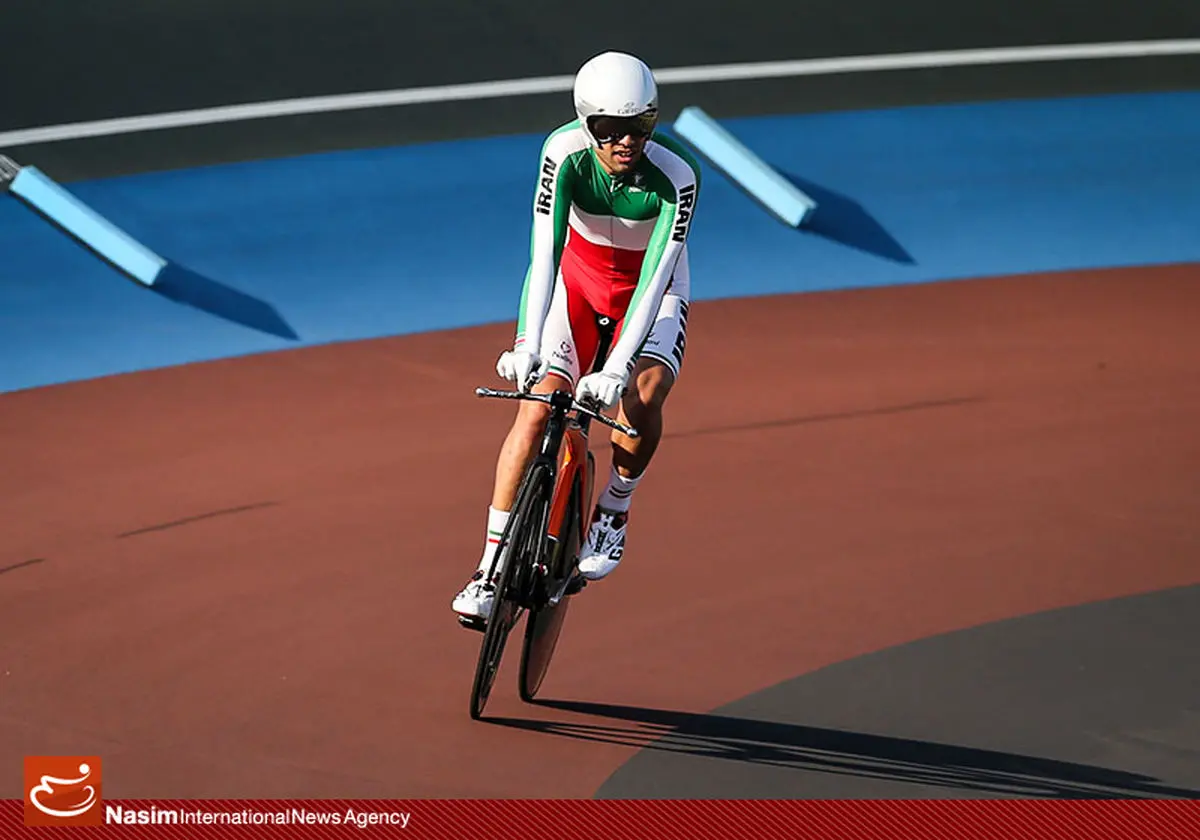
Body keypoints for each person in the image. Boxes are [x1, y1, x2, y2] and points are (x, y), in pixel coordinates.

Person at [452, 50, 701, 624]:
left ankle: (614, 508)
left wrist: (615, 367)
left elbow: (656, 279)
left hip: (650, 293)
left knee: (645, 391)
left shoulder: (677, 177)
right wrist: (525, 343)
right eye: (608, 129)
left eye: (638, 126)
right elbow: (544, 256)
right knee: (536, 411)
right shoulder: (561, 152)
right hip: (579, 285)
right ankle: (489, 569)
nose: (624, 142)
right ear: (585, 122)